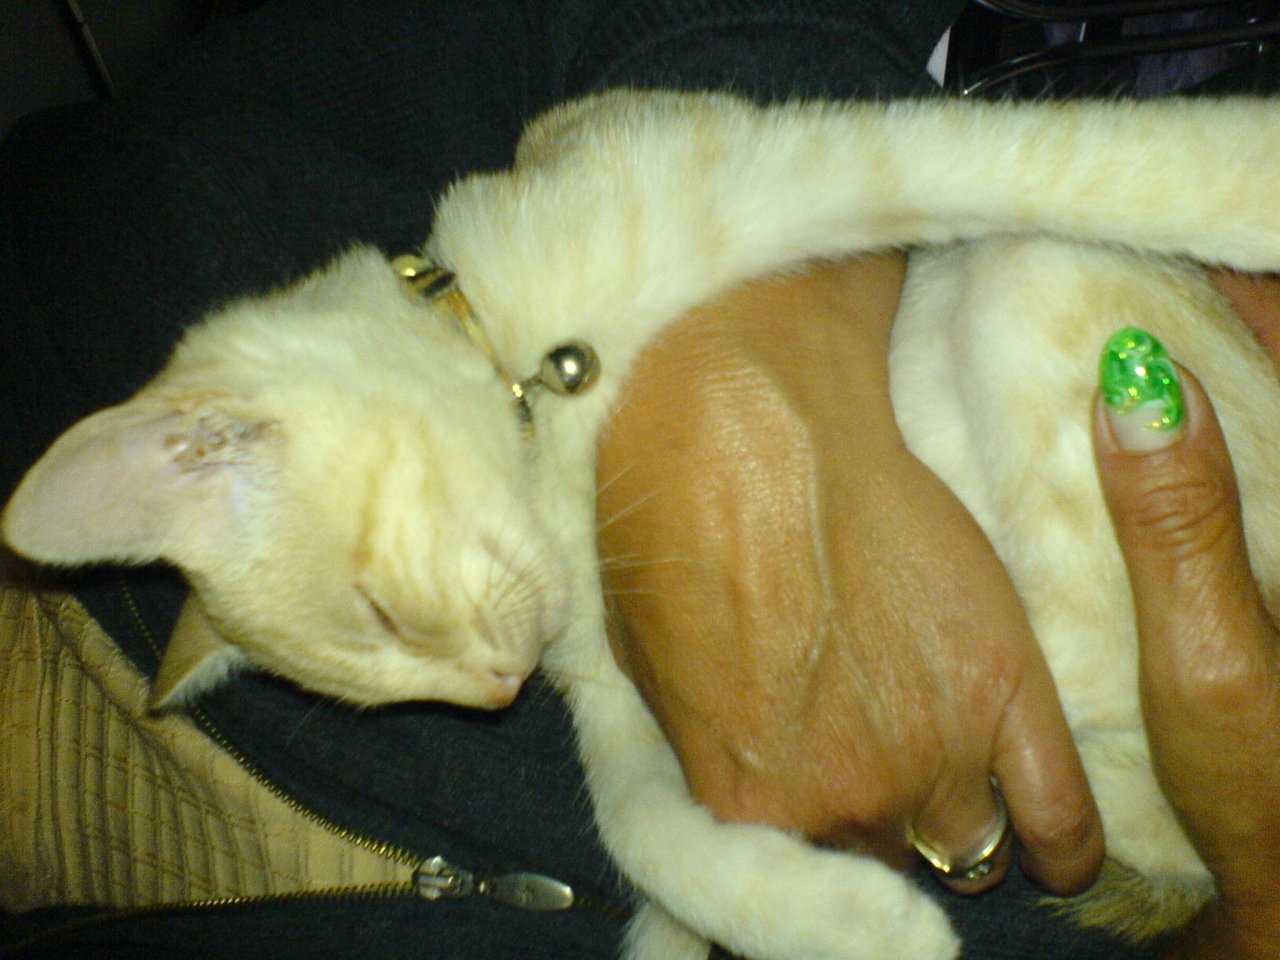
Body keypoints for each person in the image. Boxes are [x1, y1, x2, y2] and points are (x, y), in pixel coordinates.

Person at [0, 2, 1275, 958]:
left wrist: (744, 322)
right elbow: (615, 726)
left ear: (209, 438)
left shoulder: (116, 251)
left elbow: (954, 161)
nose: (487, 688)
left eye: (394, 625)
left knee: (1035, 296)